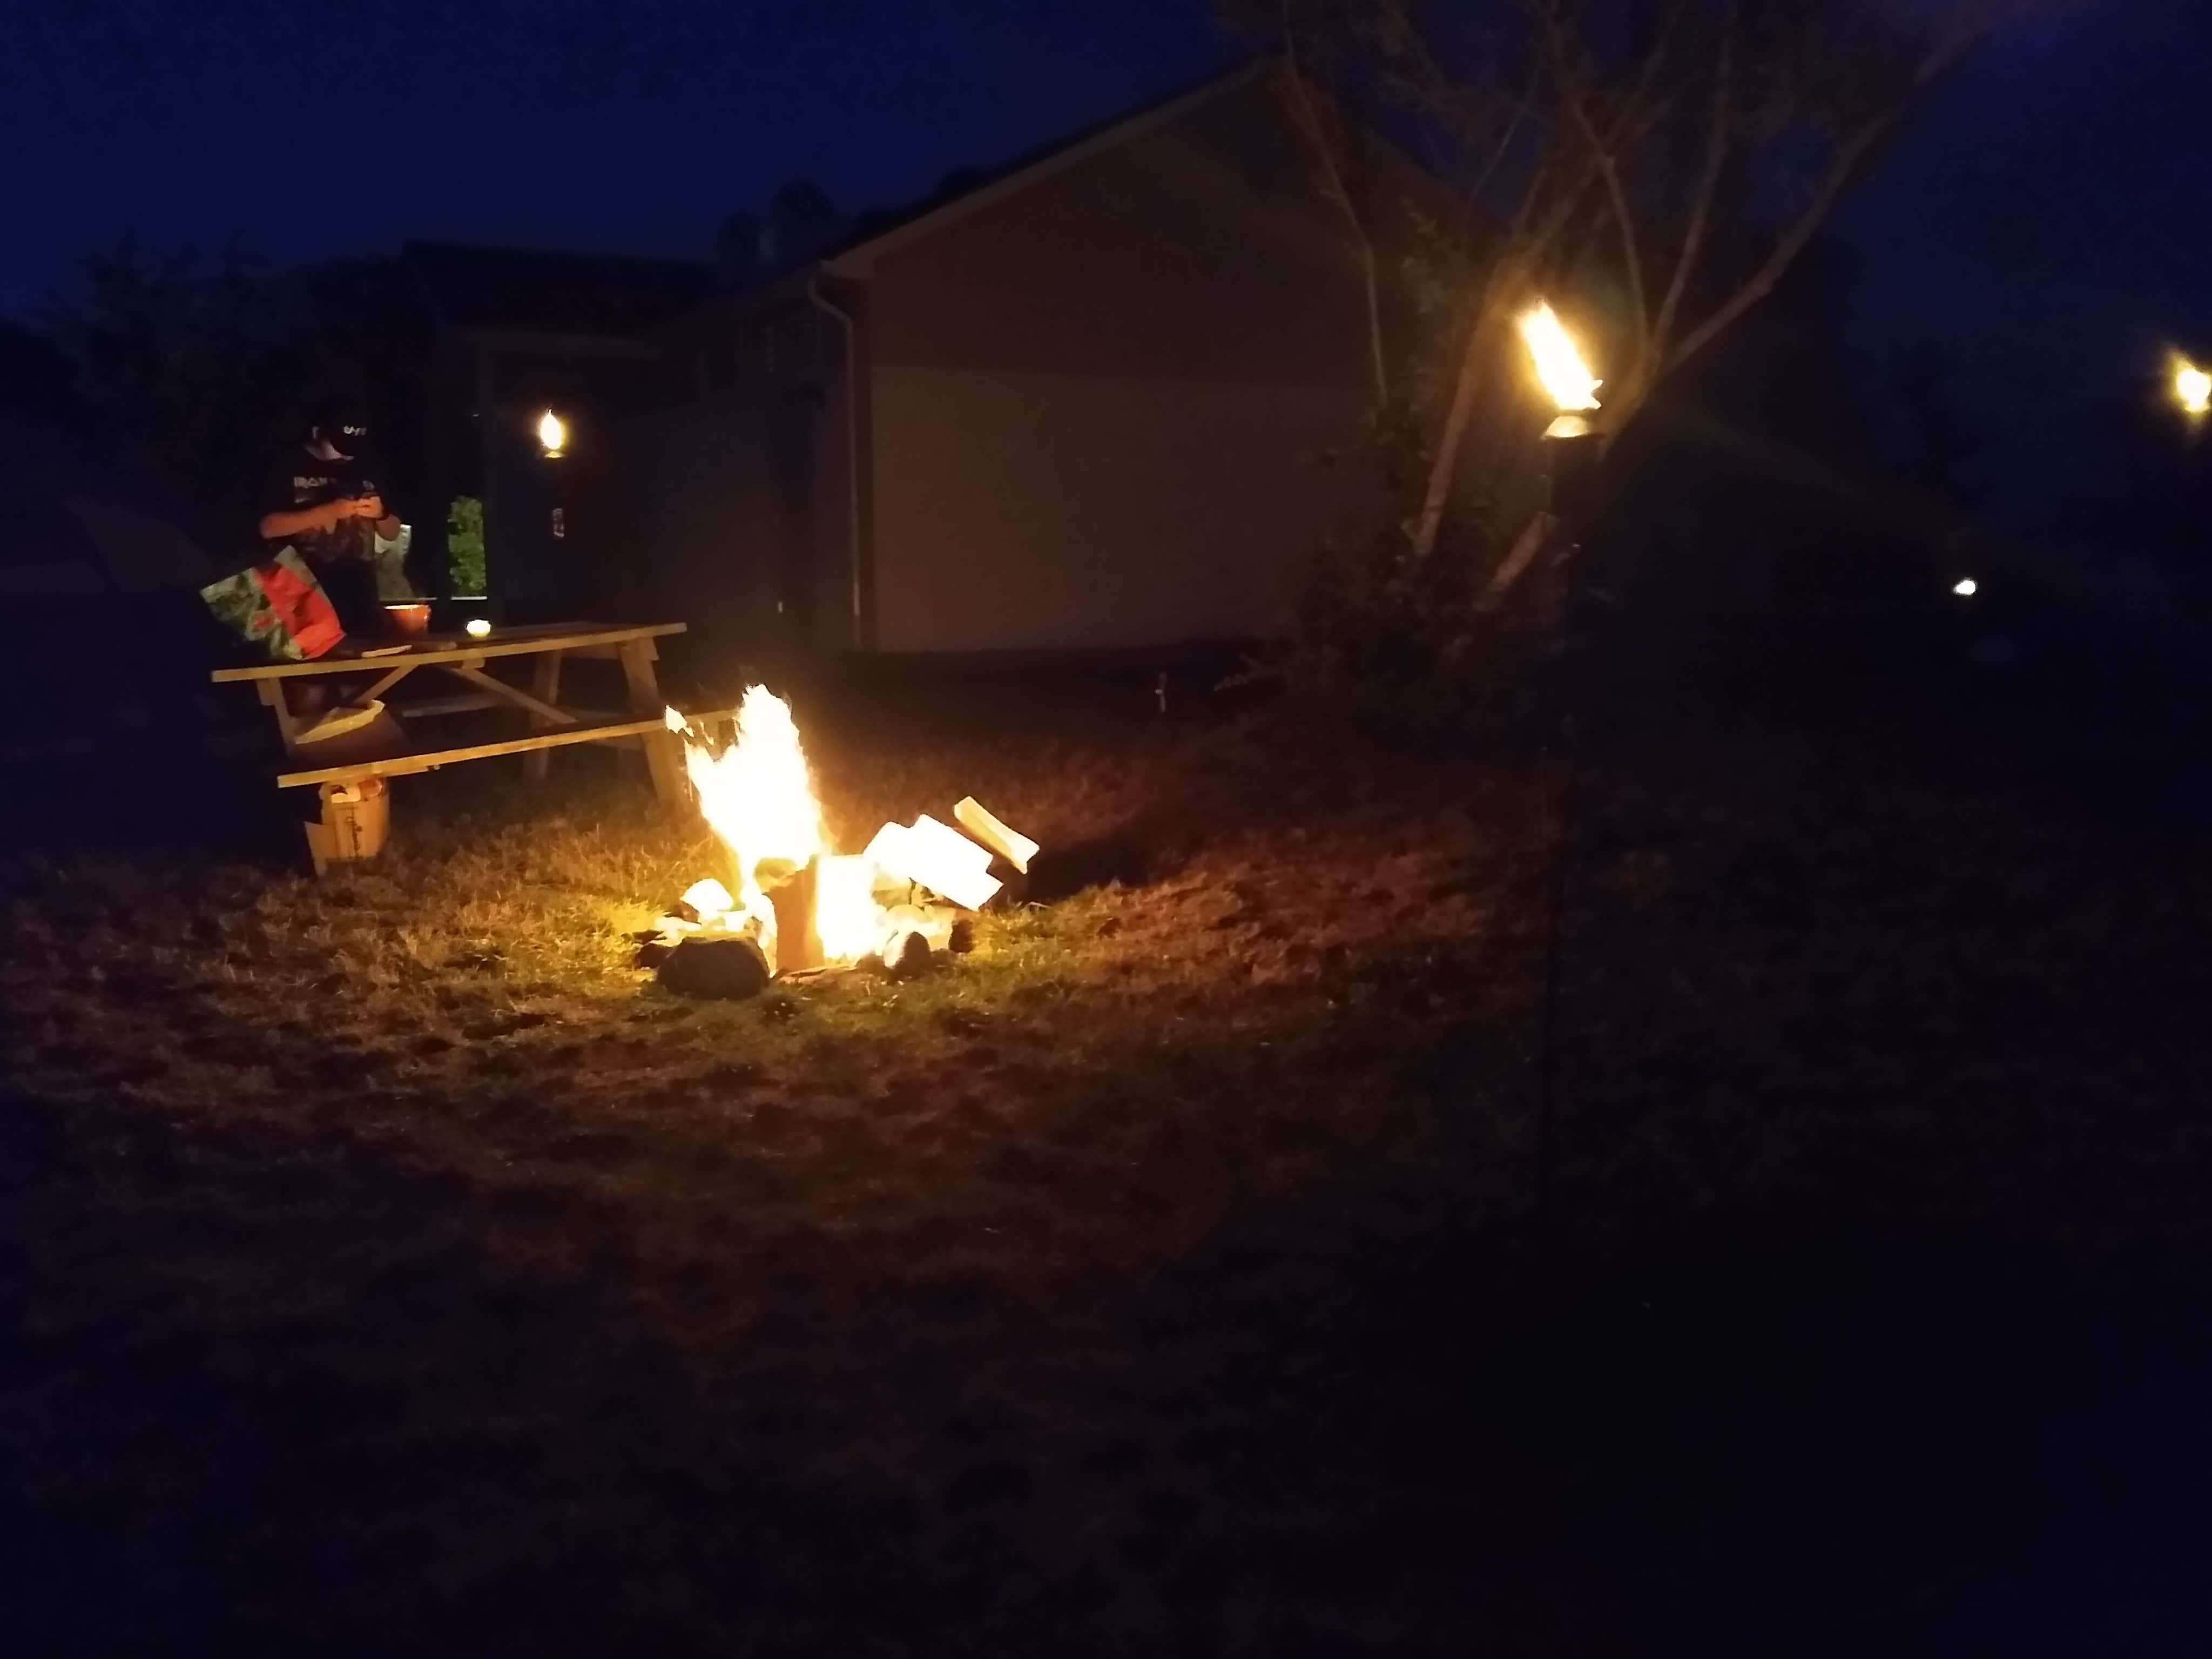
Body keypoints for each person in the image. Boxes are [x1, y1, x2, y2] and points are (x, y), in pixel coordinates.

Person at [258, 400, 404, 642]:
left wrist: (381, 514)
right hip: (305, 601)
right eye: (338, 446)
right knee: (313, 675)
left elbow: (392, 532)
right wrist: (329, 512)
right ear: (317, 433)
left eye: (352, 447)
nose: (346, 454)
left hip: (361, 595)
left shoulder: (365, 468)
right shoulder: (287, 467)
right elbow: (267, 527)